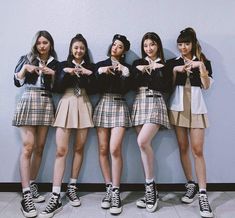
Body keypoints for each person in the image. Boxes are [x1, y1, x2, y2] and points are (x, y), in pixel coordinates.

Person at [39, 34, 95, 218]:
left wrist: (89, 74)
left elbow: (95, 88)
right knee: (61, 150)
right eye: (76, 47)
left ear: (85, 51)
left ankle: (72, 187)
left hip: (84, 103)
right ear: (71, 49)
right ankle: (55, 194)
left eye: (82, 48)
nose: (78, 51)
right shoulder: (62, 64)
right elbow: (56, 88)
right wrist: (66, 73)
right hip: (67, 102)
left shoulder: (90, 67)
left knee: (79, 148)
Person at [167, 27, 213, 218]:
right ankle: (190, 185)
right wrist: (175, 71)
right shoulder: (173, 63)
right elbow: (166, 86)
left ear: (193, 44)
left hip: (196, 109)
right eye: (180, 44)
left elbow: (207, 86)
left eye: (186, 44)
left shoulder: (204, 62)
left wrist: (200, 67)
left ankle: (203, 195)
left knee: (197, 150)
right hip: (178, 108)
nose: (183, 47)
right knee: (183, 147)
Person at [12, 30, 59, 217]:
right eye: (39, 42)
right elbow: (16, 81)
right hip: (29, 99)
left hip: (46, 101)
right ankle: (26, 196)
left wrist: (53, 74)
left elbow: (60, 87)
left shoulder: (55, 63)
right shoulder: (26, 58)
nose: (42, 46)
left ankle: (31, 185)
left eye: (45, 42)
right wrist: (25, 69)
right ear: (35, 44)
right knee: (28, 147)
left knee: (39, 147)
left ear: (50, 44)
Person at [131, 32, 171, 213]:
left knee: (142, 141)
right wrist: (141, 70)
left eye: (152, 44)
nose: (149, 48)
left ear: (158, 46)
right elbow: (132, 83)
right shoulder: (137, 64)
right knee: (142, 147)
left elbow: (166, 87)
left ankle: (150, 186)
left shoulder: (165, 64)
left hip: (156, 102)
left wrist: (156, 69)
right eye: (146, 45)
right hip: (139, 102)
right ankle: (150, 189)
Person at [93, 34, 132, 215]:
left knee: (114, 149)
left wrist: (124, 73)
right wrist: (101, 72)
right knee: (102, 149)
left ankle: (116, 190)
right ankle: (109, 187)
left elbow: (128, 88)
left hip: (119, 105)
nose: (115, 48)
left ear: (124, 52)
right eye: (114, 45)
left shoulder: (127, 68)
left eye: (120, 47)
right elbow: (93, 87)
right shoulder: (100, 65)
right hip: (103, 104)